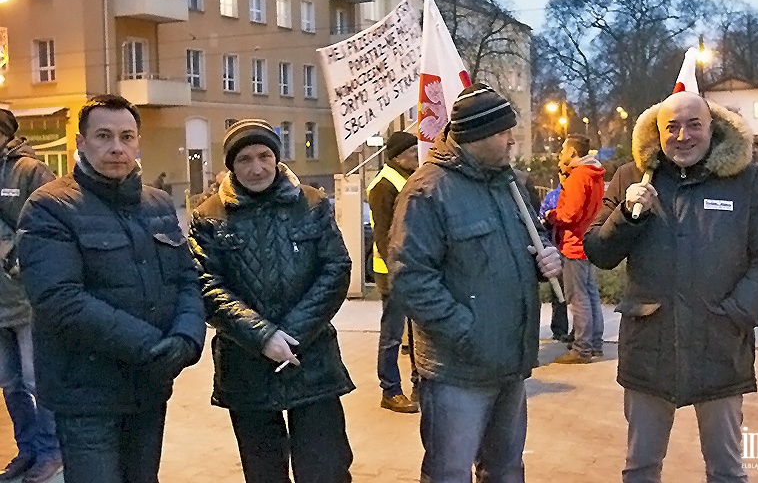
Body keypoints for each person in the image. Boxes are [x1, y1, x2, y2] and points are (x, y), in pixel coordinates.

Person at [584, 90, 758, 483]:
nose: (683, 136)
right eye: (672, 127)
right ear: (658, 131)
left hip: (719, 347)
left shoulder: (746, 180)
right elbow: (598, 251)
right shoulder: (632, 176)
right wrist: (629, 216)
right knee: (641, 468)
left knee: (726, 471)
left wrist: (738, 313)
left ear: (711, 128)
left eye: (693, 125)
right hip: (650, 347)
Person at [17, 95, 206, 483]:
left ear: (137, 143)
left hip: (147, 388)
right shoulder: (49, 207)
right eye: (103, 136)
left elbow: (186, 277)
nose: (116, 147)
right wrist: (152, 346)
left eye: (126, 136)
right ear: (81, 143)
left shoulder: (157, 203)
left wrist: (187, 336)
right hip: (85, 392)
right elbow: (60, 299)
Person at [389, 83, 562, 482]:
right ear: (477, 137)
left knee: (505, 470)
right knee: (449, 472)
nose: (512, 140)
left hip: (510, 362)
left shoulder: (510, 184)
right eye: (504, 132)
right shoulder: (427, 192)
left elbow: (528, 244)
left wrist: (542, 261)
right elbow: (410, 279)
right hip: (457, 369)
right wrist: (469, 331)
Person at [190, 119, 354, 483]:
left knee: (325, 468)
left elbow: (336, 268)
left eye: (264, 155)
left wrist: (291, 335)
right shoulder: (209, 216)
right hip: (247, 364)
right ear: (231, 165)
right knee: (263, 471)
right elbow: (206, 284)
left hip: (311, 359)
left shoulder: (311, 203)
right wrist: (262, 337)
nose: (256, 167)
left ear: (277, 159)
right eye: (245, 159)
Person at [0, 109, 61, 483]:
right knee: (9, 383)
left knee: (37, 380)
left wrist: (12, 250)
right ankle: (28, 449)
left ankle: (52, 450)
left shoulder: (30, 172)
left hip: (26, 299)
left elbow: (53, 224)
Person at [367, 131, 420, 413]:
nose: (417, 156)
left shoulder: (408, 177)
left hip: (412, 267)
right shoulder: (384, 185)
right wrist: (396, 271)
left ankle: (418, 385)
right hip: (393, 272)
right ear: (398, 155)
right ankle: (390, 390)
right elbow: (383, 234)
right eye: (413, 152)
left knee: (417, 333)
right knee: (393, 334)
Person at [547, 134, 606, 364]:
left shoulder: (578, 177)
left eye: (563, 150)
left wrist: (551, 215)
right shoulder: (595, 174)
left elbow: (569, 214)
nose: (561, 154)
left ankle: (582, 348)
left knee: (577, 297)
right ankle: (595, 344)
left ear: (573, 152)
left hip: (574, 243)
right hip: (590, 241)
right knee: (591, 294)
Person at [538, 171, 570, 343]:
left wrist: (551, 216)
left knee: (571, 294)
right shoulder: (553, 195)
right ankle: (559, 329)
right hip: (556, 245)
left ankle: (569, 331)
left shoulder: (572, 192)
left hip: (568, 246)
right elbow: (542, 219)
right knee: (559, 292)